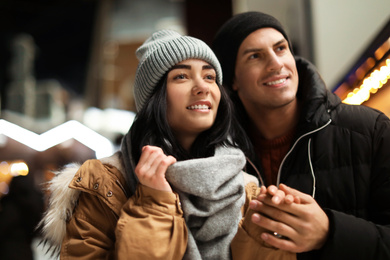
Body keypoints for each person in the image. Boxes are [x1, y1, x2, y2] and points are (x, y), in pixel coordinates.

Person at [38, 29, 295, 260]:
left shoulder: (246, 186)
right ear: (154, 97)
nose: (202, 87)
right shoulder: (106, 182)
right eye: (181, 76)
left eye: (209, 76)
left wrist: (266, 233)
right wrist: (154, 204)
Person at [212, 10, 390, 259]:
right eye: (255, 56)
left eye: (281, 48)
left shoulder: (371, 131)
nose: (276, 63)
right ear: (233, 80)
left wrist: (330, 232)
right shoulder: (217, 156)